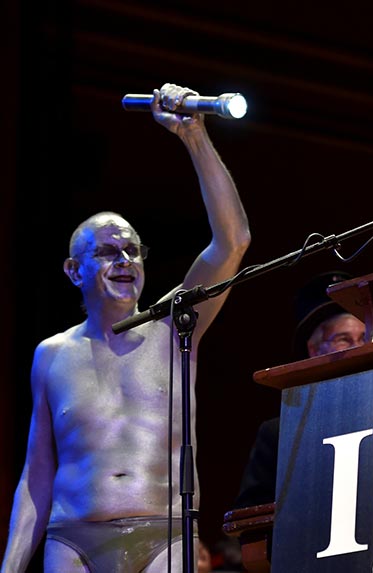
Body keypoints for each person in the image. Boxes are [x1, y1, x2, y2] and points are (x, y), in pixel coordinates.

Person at [1, 83, 251, 573]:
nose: (124, 260)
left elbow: (233, 240)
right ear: (74, 270)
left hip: (164, 533)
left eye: (132, 250)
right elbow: (38, 473)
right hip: (72, 538)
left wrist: (194, 134)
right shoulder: (51, 354)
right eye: (108, 251)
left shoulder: (176, 322)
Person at [233, 270, 367, 511]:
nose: (358, 348)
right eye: (344, 339)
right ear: (314, 350)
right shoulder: (281, 432)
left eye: (364, 338)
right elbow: (250, 515)